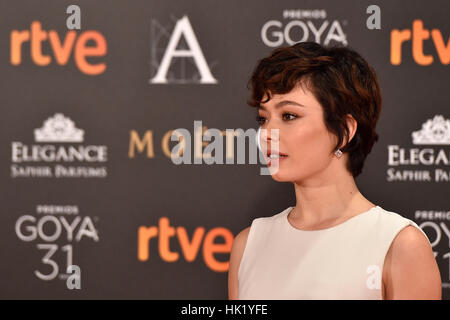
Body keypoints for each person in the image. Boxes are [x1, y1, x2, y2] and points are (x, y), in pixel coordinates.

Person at [228, 41, 442, 300]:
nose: (266, 134)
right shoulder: (249, 245)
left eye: (289, 116)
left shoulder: (399, 245)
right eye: (263, 119)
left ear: (344, 131)